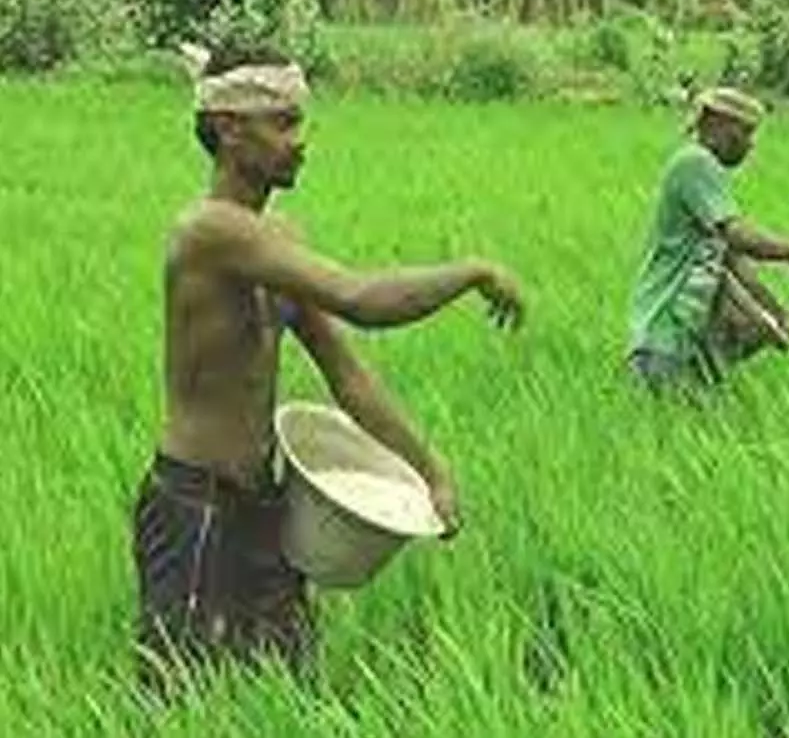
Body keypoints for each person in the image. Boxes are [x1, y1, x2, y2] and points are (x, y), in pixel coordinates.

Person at [133, 43, 525, 698]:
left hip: (263, 501)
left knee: (286, 686)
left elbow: (348, 374)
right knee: (179, 700)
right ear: (229, 127)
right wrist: (472, 271)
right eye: (283, 123)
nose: (301, 141)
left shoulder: (276, 243)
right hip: (195, 507)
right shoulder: (208, 233)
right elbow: (360, 299)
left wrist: (431, 471)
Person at [625, 87, 789, 395]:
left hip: (685, 340)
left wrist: (774, 315)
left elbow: (733, 263)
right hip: (666, 336)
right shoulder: (695, 163)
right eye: (745, 132)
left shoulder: (705, 178)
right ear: (715, 125)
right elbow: (736, 236)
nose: (751, 146)